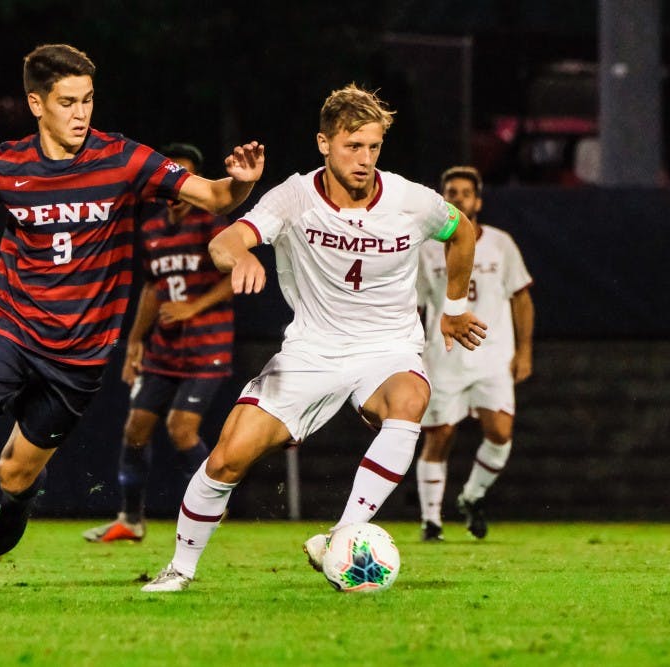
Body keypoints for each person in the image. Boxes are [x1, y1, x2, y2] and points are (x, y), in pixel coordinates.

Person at [0, 44, 264, 593]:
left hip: (78, 357)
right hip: (9, 326)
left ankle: (17, 502)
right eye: (67, 102)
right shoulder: (6, 165)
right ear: (36, 103)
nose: (81, 114)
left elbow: (216, 196)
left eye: (87, 101)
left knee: (14, 472)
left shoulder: (124, 159)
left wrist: (242, 182)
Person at [141, 84, 486, 593]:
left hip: (387, 347)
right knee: (227, 458)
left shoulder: (413, 201)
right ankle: (180, 568)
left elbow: (463, 234)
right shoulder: (294, 197)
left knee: (410, 399)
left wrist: (454, 309)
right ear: (324, 144)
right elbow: (224, 238)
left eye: (373, 147)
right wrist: (240, 255)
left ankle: (343, 536)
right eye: (352, 146)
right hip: (312, 350)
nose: (364, 159)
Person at [82, 143, 236, 543]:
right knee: (135, 430)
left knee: (182, 430)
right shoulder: (151, 229)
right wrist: (135, 341)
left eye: (184, 176)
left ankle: (212, 509)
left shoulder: (210, 222)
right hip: (163, 350)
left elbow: (236, 275)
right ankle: (131, 520)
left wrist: (192, 308)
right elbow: (153, 288)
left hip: (207, 347)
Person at [415, 165, 534, 541]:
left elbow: (521, 297)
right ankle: (431, 520)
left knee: (500, 432)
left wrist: (525, 350)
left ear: (478, 200)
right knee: (440, 435)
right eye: (451, 191)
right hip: (444, 356)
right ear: (442, 198)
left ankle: (472, 496)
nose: (458, 197)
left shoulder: (501, 244)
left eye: (465, 192)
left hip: (493, 355)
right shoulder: (426, 249)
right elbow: (413, 307)